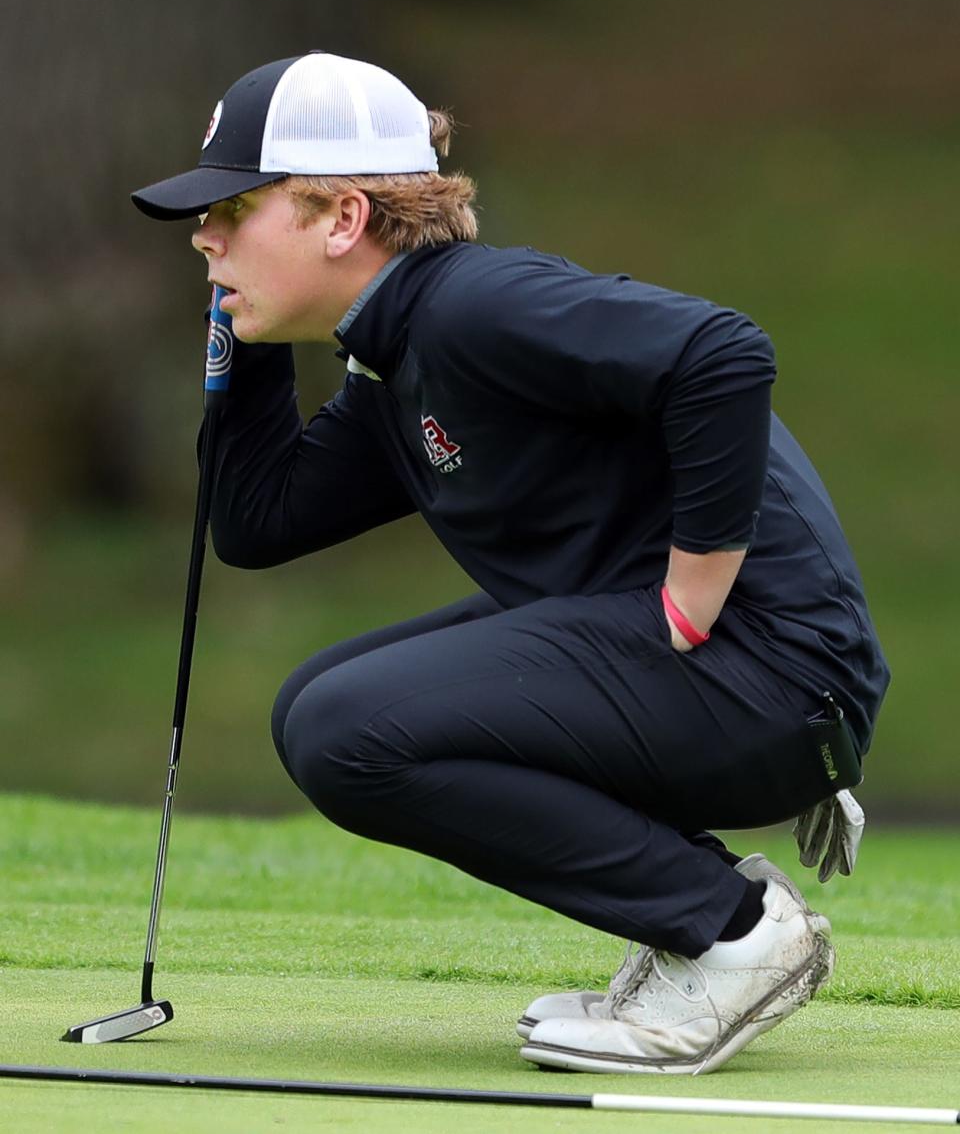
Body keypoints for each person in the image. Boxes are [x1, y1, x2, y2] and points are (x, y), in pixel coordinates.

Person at [131, 52, 890, 1075]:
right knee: (319, 703)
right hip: (744, 677)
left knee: (342, 728)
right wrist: (248, 334)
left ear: (342, 218)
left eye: (235, 209)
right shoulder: (399, 361)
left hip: (770, 672)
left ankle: (733, 931)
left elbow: (721, 354)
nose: (205, 235)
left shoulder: (475, 307)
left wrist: (699, 585)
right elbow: (258, 520)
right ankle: (704, 921)